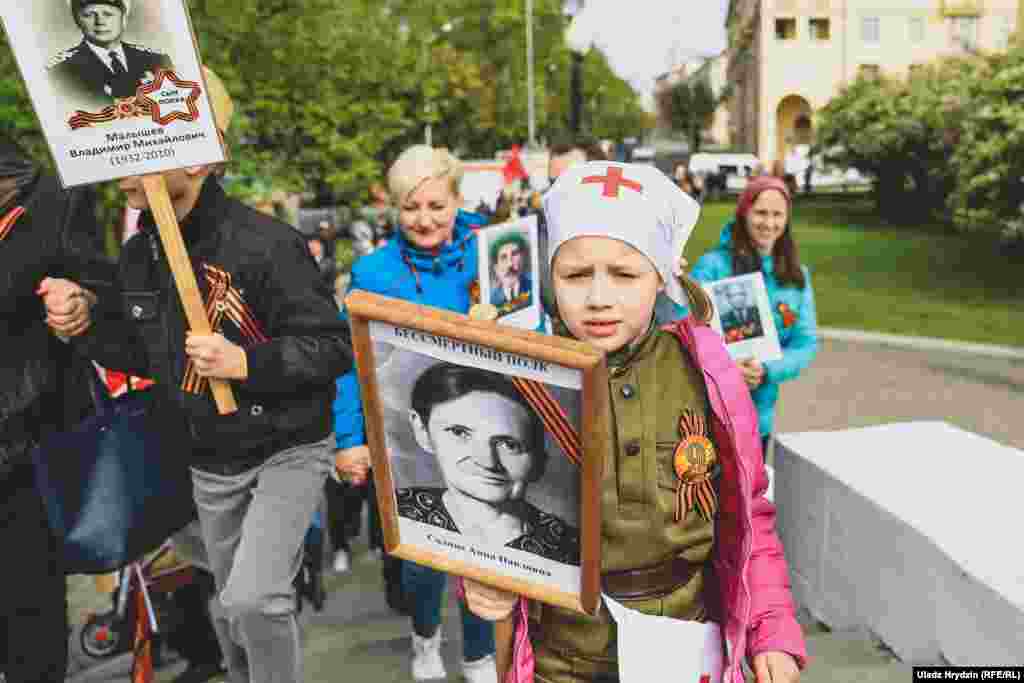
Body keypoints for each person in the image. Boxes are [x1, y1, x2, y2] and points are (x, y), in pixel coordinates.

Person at [42, 69, 352, 683]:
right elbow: (146, 352)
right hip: (209, 462)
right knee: (231, 607)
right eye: (120, 139)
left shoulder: (268, 245)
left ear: (204, 156)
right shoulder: (141, 254)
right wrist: (84, 326)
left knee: (253, 599)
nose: (125, 158)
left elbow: (332, 347)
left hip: (287, 448)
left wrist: (247, 363)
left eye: (145, 139)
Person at [461, 162, 806, 683]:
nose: (599, 297)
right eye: (576, 275)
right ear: (549, 278)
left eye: (625, 274)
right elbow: (483, 503)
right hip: (565, 656)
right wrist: (483, 579)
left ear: (662, 276)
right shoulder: (526, 376)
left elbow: (749, 516)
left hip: (687, 646)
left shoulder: (704, 371)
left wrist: (770, 625)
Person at [333, 145, 497, 683]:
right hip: (407, 434)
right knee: (423, 562)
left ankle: (477, 655)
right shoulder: (373, 272)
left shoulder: (493, 258)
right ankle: (425, 638)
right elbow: (351, 364)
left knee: (480, 552)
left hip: (482, 430)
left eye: (435, 205)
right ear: (395, 210)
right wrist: (349, 438)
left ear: (456, 202)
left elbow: (536, 332)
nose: (423, 219)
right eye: (410, 207)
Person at [0, 132, 113, 683]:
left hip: (31, 437)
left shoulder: (58, 198)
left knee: (28, 605)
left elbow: (99, 284)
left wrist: (81, 299)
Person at [398, 363, 579, 565]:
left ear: (538, 462)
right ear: (423, 431)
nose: (487, 461)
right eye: (460, 433)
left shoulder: (571, 549)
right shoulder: (399, 509)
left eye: (509, 444)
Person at [690, 176, 818, 456]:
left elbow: (805, 343)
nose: (769, 223)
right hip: (709, 417)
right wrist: (726, 369)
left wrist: (767, 369)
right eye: (761, 212)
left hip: (758, 421)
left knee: (749, 498)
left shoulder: (796, 277)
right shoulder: (712, 267)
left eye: (777, 214)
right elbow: (684, 331)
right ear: (744, 212)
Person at [48, 0, 172, 107]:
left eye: (108, 14)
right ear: (77, 20)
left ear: (123, 18)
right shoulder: (59, 70)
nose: (100, 22)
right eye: (89, 15)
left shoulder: (157, 60)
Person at [489, 232, 533, 315]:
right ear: (496, 268)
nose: (510, 264)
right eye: (503, 257)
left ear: (522, 259)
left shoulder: (533, 287)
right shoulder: (492, 300)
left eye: (514, 254)